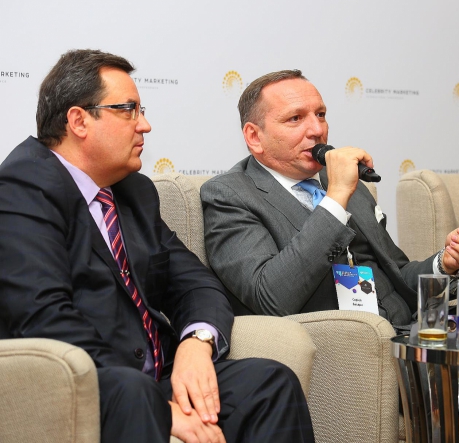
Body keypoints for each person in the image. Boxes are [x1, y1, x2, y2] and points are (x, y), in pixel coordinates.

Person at [0, 50, 315, 443]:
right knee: (135, 394)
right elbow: (42, 316)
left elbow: (195, 284)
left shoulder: (132, 192)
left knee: (269, 383)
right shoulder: (21, 188)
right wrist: (160, 407)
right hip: (86, 384)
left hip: (153, 378)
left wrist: (196, 344)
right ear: (79, 121)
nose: (144, 125)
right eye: (128, 110)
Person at [201, 69, 459, 328]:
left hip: (405, 335)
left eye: (320, 114)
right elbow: (270, 298)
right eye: (295, 118)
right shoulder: (230, 195)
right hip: (338, 348)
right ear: (254, 136)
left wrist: (444, 264)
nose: (317, 130)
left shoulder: (343, 183)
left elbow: (396, 274)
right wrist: (335, 198)